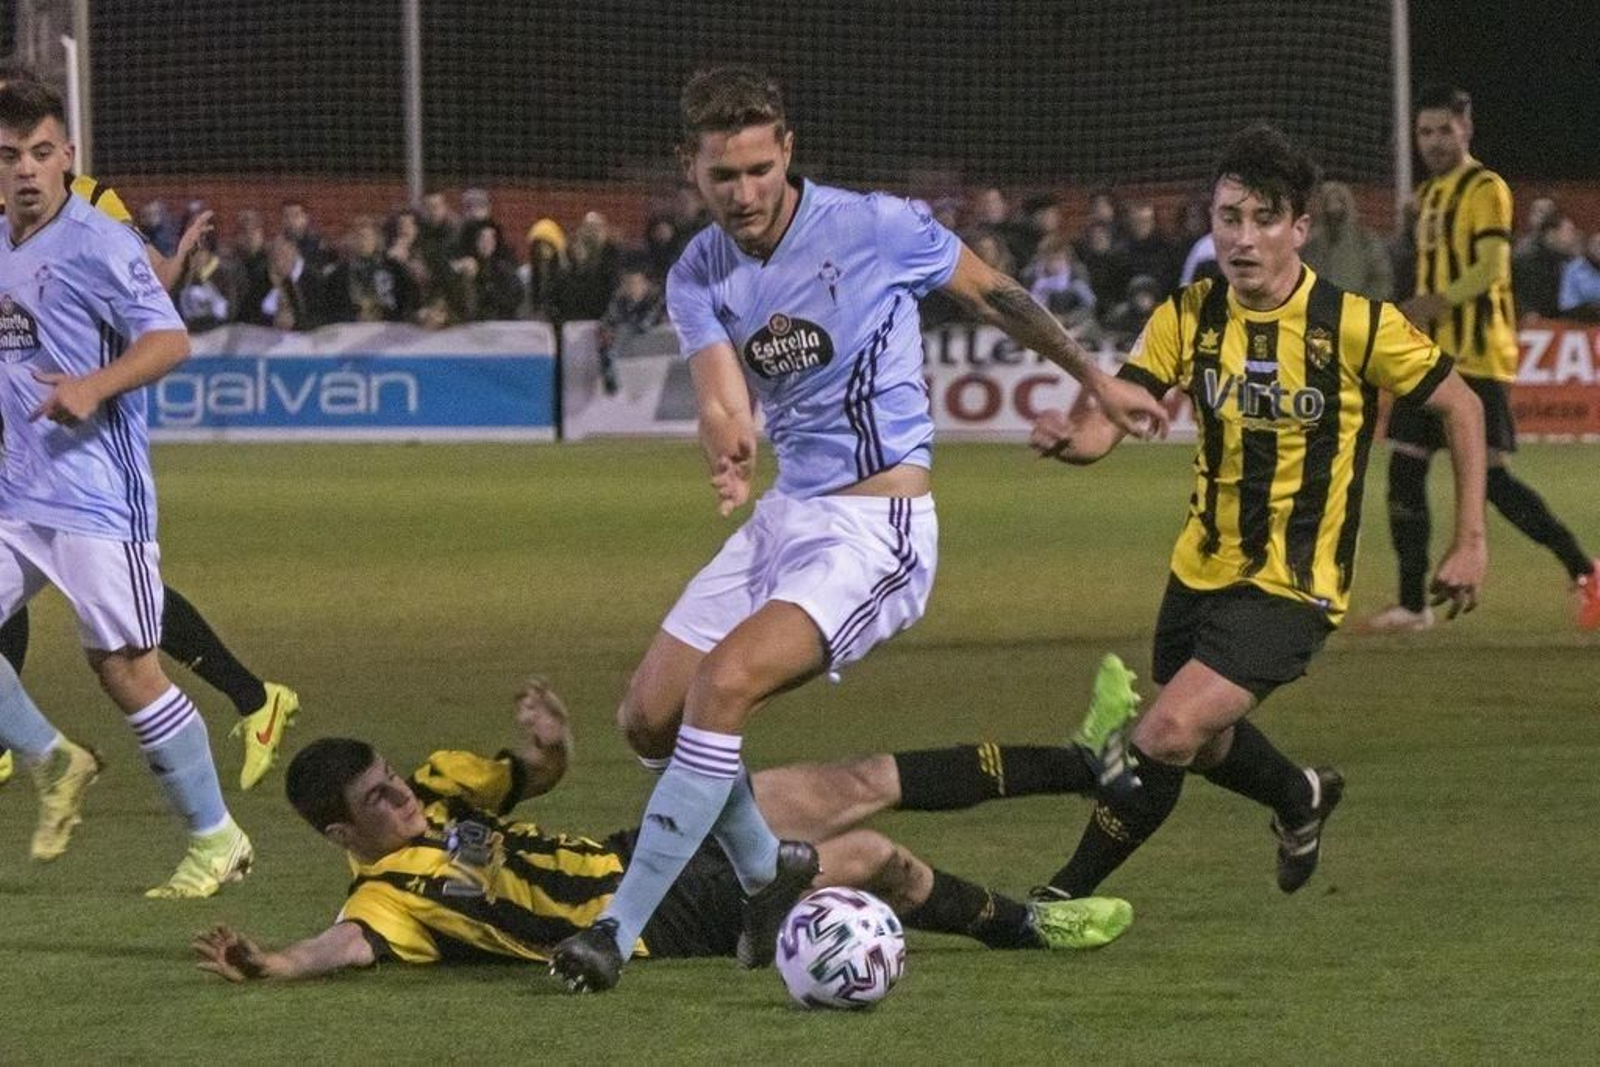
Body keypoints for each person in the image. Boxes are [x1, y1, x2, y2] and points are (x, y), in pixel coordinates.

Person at [547, 65, 1167, 994]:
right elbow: (722, 388)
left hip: (877, 529)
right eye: (725, 177)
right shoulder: (699, 272)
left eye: (760, 169)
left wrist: (1094, 377)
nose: (746, 194)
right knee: (647, 718)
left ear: (787, 150)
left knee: (723, 687)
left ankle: (613, 931)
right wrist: (727, 440)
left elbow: (993, 292)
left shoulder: (873, 226)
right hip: (784, 515)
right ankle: (769, 871)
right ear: (692, 168)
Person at [1027, 122, 1489, 902]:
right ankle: (1298, 794)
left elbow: (1462, 404)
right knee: (1202, 743)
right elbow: (1115, 417)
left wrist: (1470, 538)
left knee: (1166, 731)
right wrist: (1075, 439)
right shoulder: (1190, 314)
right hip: (1199, 567)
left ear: (1299, 228)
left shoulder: (1355, 323)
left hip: (1296, 581)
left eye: (1263, 219)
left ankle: (1062, 899)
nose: (1242, 238)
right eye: (1228, 217)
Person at [192, 670, 1141, 983]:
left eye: (393, 780)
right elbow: (341, 946)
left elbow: (535, 775)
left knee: (856, 779)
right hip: (650, 919)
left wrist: (550, 746)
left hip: (639, 843)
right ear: (338, 833)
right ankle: (1032, 924)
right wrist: (273, 961)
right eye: (380, 802)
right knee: (872, 857)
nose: (404, 800)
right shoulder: (390, 896)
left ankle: (1075, 759)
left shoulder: (443, 789)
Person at [0, 67, 299, 794]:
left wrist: (94, 379)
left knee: (125, 646)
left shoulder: (93, 209)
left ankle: (237, 741)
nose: (25, 167)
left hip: (86, 455)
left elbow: (139, 298)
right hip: (23, 452)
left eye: (38, 150)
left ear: (64, 151)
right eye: (11, 153)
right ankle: (27, 744)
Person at [1358, 86, 1599, 634]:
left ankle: (1585, 570)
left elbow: (1491, 269)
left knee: (1491, 483)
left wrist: (1429, 304)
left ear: (1467, 127)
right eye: (1425, 132)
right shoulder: (1428, 196)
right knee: (1403, 472)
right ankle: (1412, 605)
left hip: (1476, 359)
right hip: (1427, 359)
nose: (1435, 142)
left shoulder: (1485, 188)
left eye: (1445, 130)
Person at [1301, 180, 1393, 300]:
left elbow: (1381, 279)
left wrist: (1363, 305)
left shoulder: (1365, 240)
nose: (1333, 206)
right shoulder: (1311, 244)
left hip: (1355, 311)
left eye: (1338, 200)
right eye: (1328, 201)